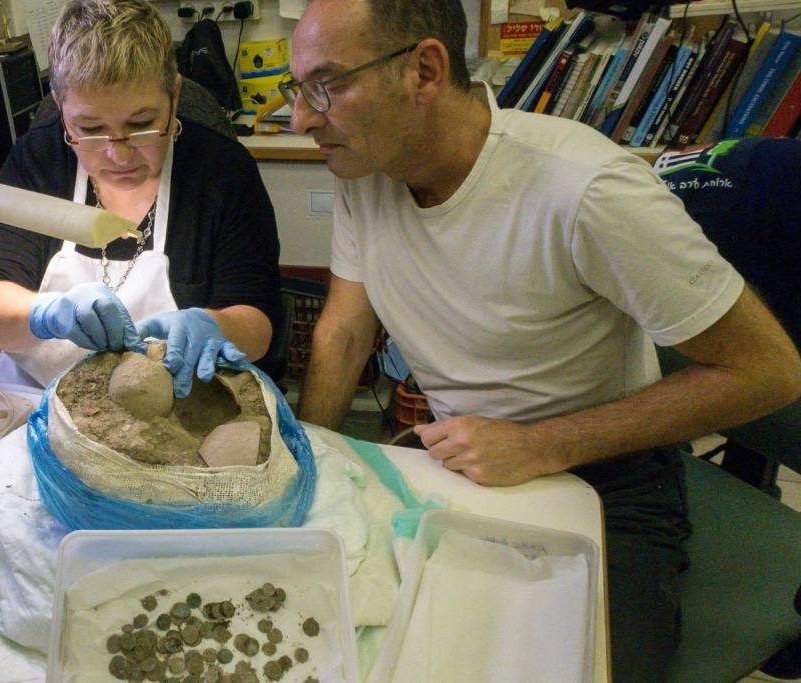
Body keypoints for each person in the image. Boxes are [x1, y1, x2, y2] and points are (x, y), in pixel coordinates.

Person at [285, 1, 801, 680]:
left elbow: (771, 370)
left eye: (327, 85)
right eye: (299, 89)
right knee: (357, 646)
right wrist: (308, 470)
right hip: (461, 459)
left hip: (610, 478)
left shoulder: (584, 189)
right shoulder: (367, 169)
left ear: (425, 70)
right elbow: (346, 329)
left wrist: (537, 445)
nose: (302, 118)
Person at [0, 0, 280, 397]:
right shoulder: (38, 160)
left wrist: (215, 325)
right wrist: (46, 315)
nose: (119, 153)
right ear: (61, 110)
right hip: (34, 399)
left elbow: (258, 320)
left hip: (171, 405)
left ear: (175, 96)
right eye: (91, 128)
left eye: (142, 124)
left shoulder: (221, 171)